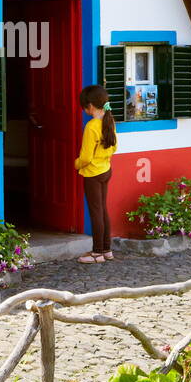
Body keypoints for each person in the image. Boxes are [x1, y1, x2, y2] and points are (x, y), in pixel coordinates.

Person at [74, 84, 117, 263]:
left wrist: (77, 164)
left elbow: (85, 157)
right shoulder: (109, 121)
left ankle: (97, 253)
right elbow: (114, 147)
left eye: (84, 106)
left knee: (96, 212)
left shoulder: (91, 126)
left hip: (92, 173)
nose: (84, 110)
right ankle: (107, 250)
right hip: (106, 170)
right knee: (103, 210)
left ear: (90, 106)